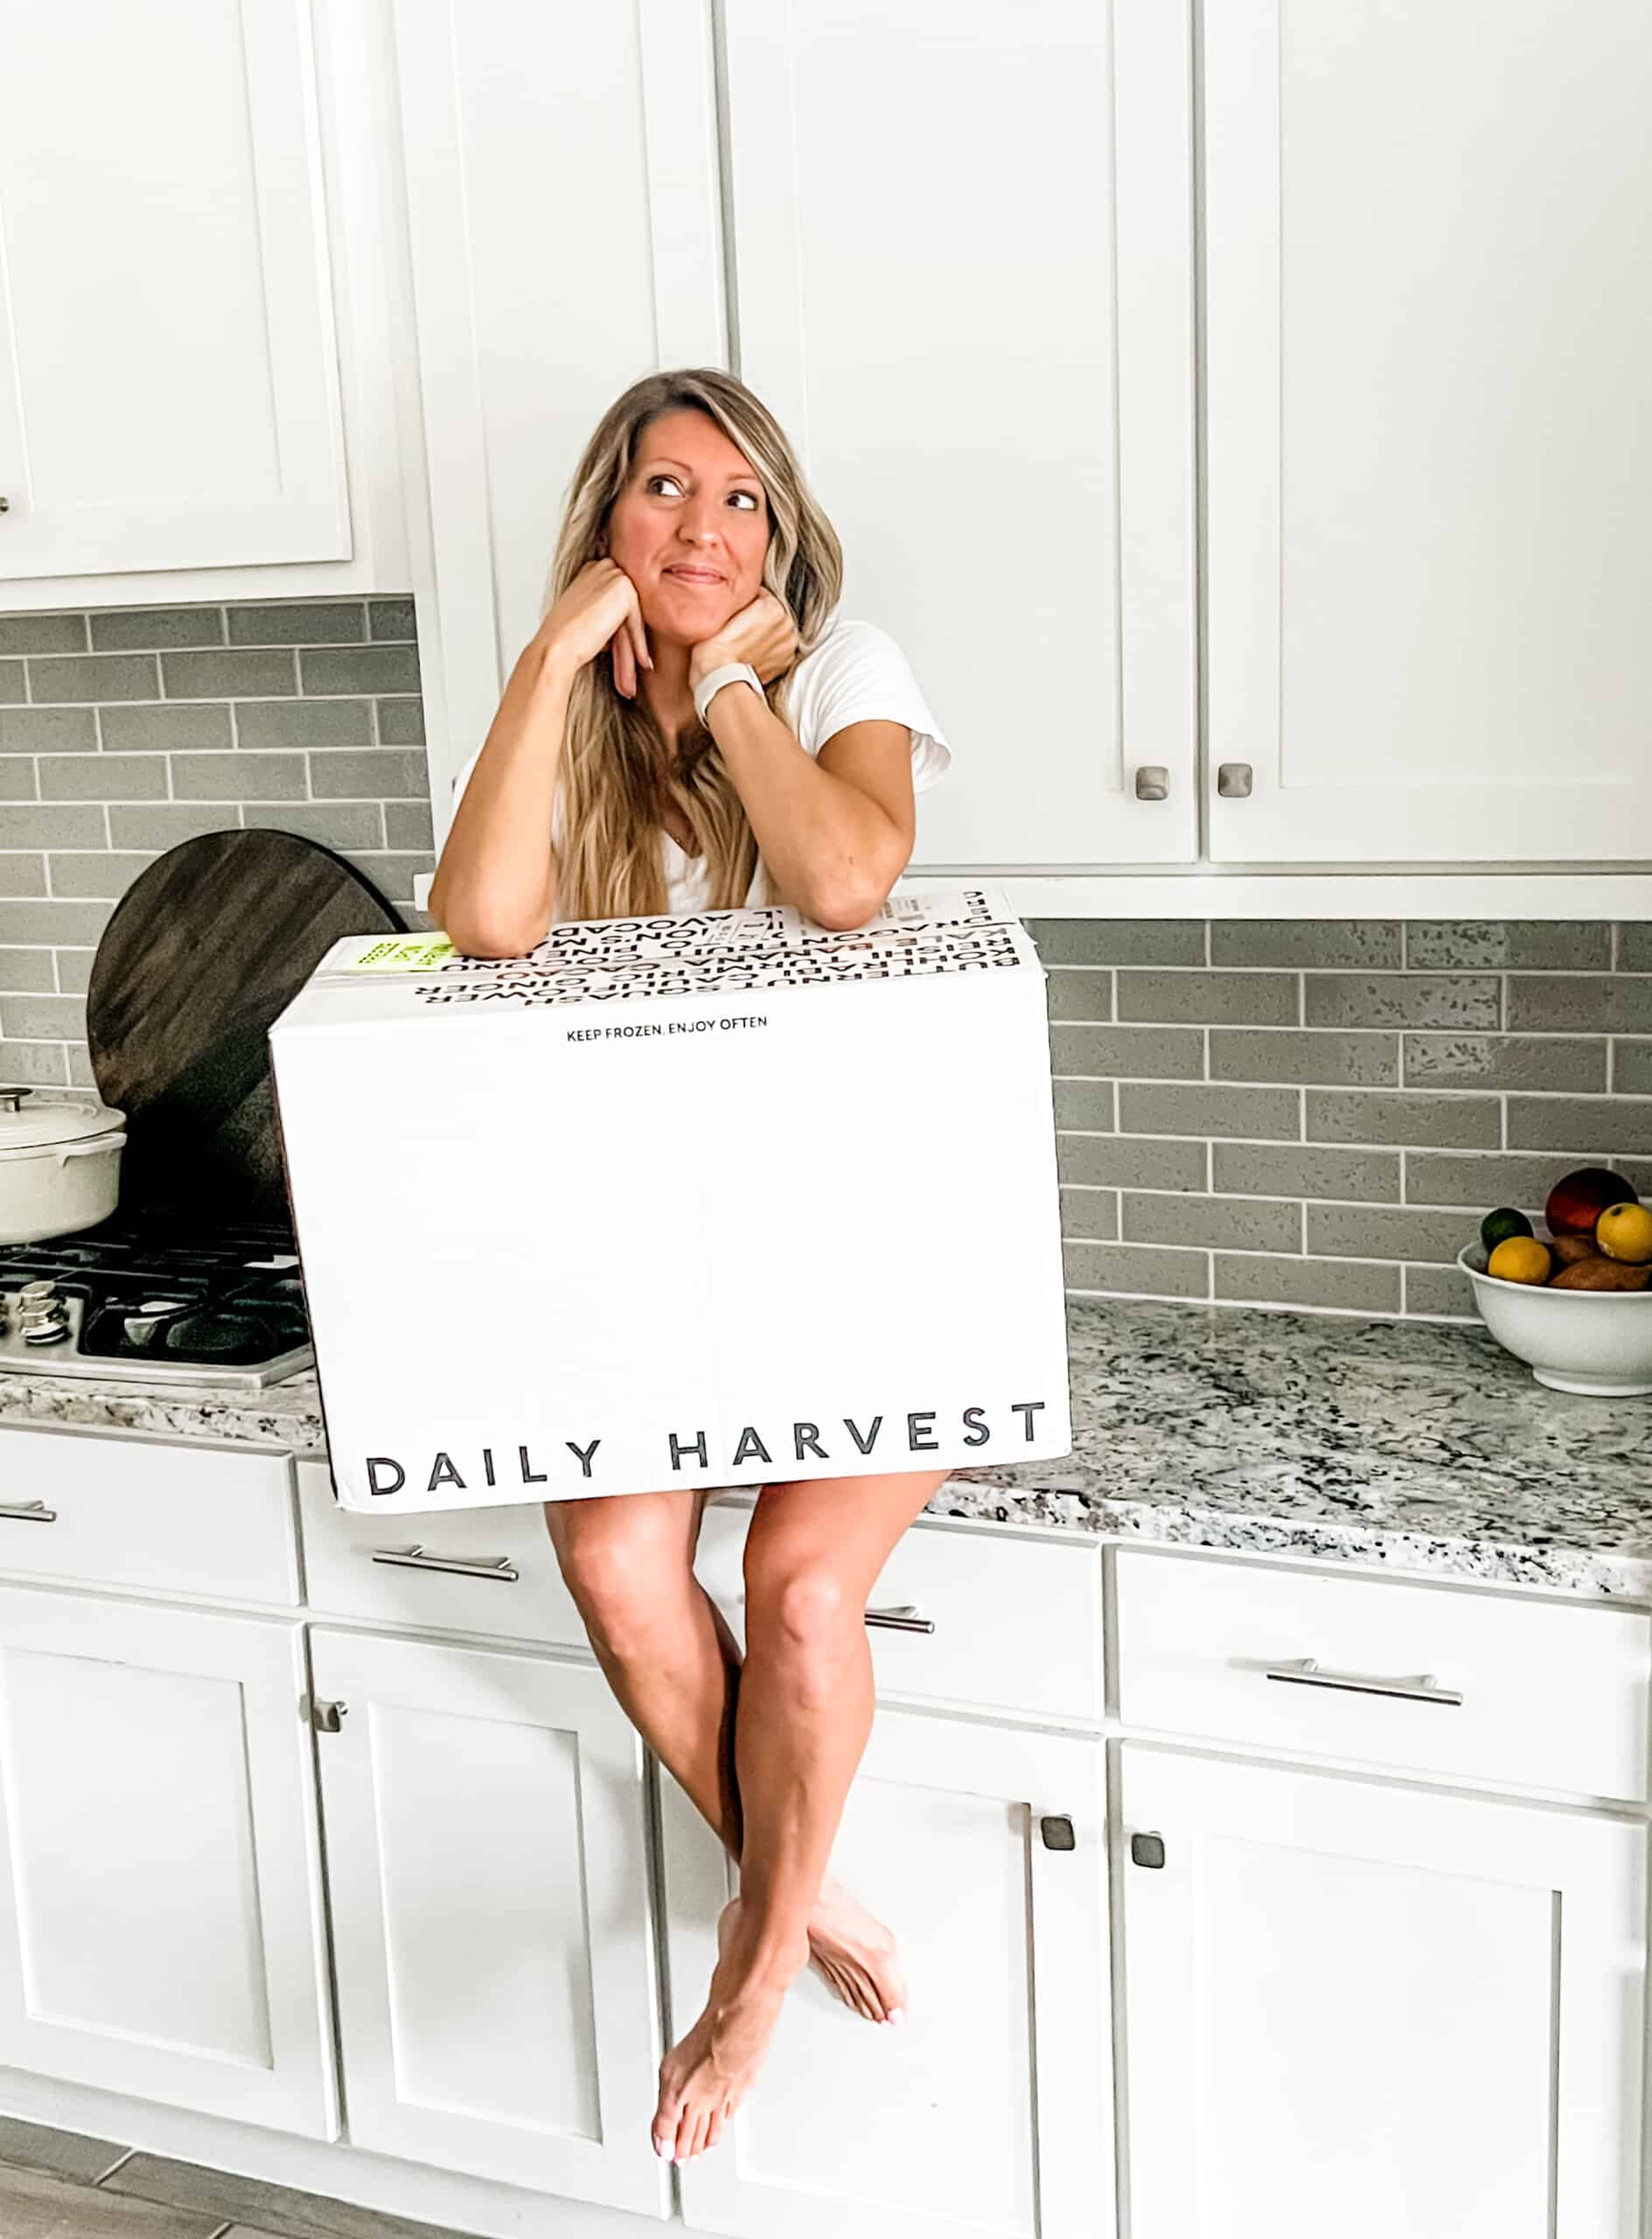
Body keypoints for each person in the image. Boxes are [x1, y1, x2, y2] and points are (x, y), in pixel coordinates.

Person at [427, 367, 955, 2168]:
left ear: (785, 533)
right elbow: (487, 923)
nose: (707, 531)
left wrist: (732, 682)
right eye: (665, 493)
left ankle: (751, 1963)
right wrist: (555, 656)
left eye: (744, 500)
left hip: (879, 1241)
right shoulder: (570, 714)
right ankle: (800, 1888)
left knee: (802, 1590)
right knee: (611, 1553)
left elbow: (844, 879)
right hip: (652, 1261)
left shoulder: (844, 669)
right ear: (607, 520)